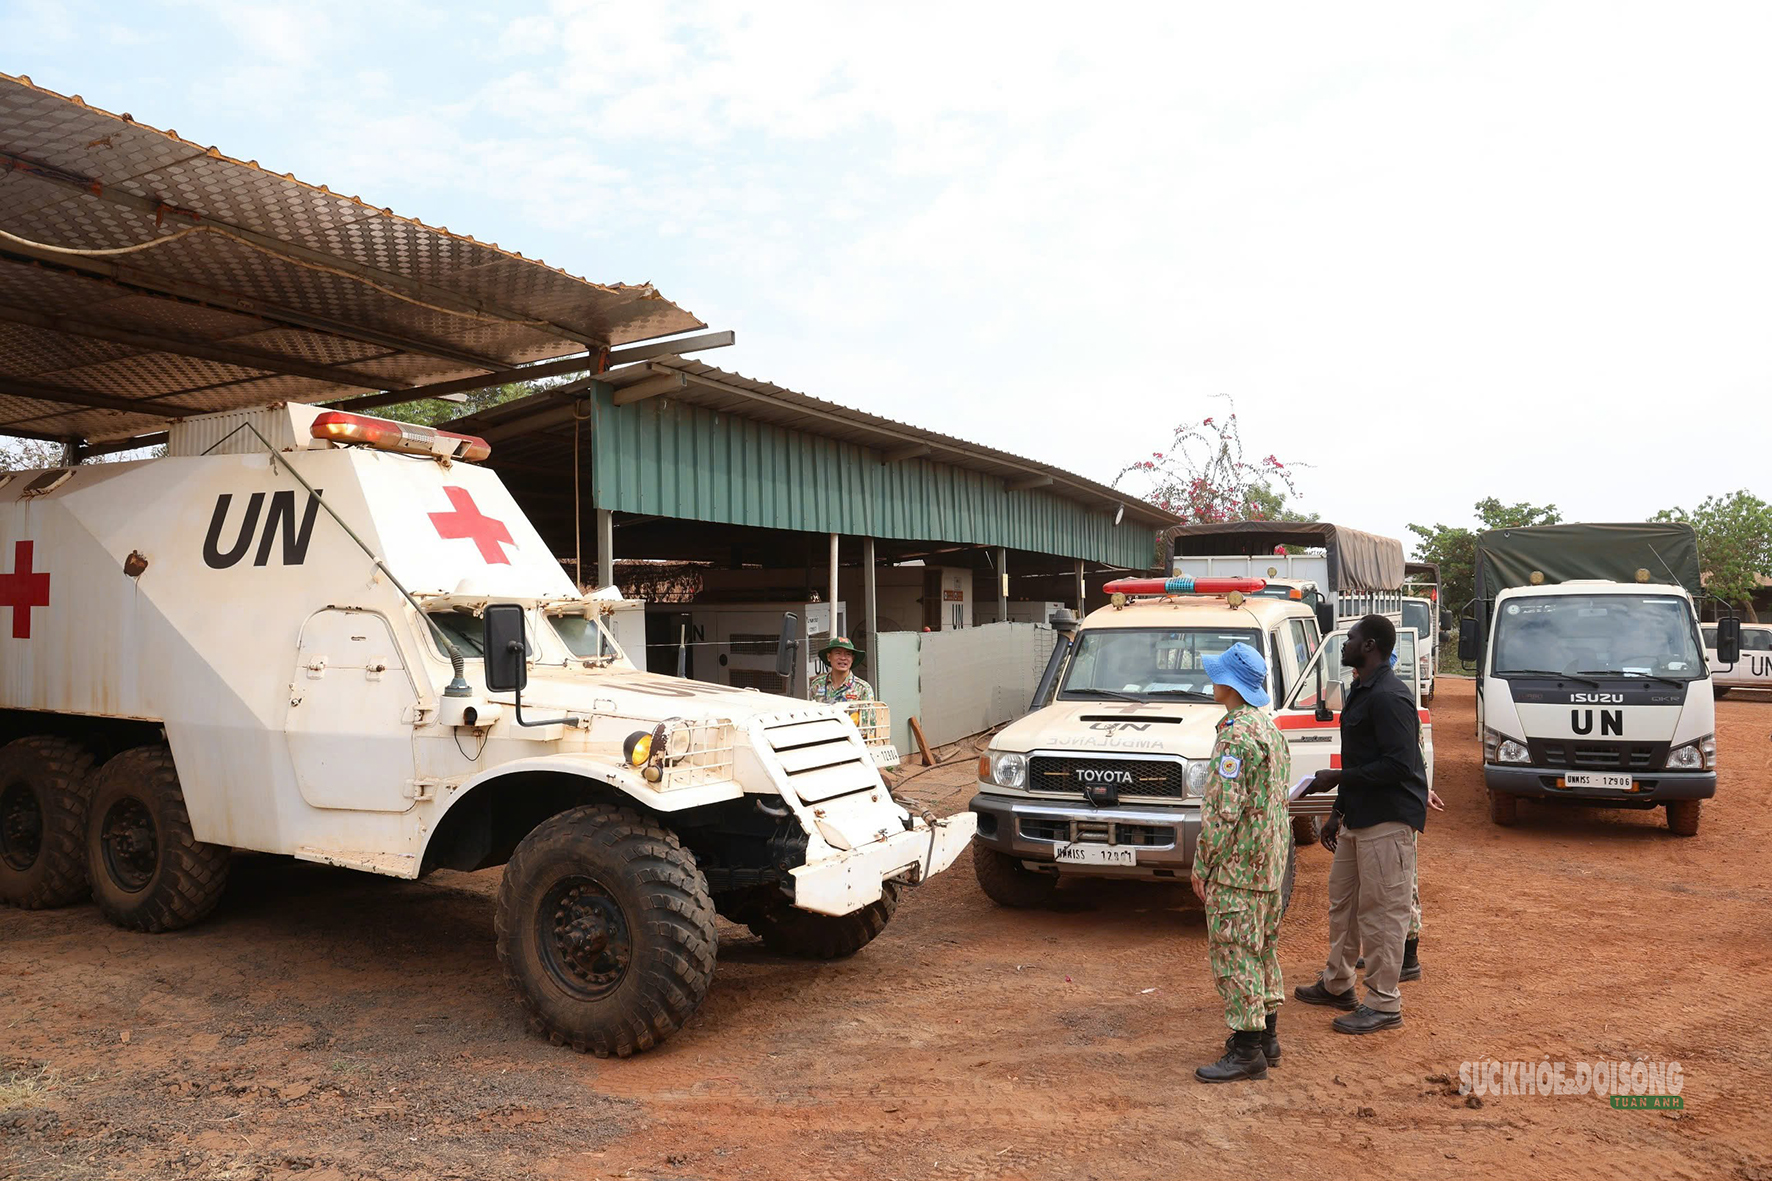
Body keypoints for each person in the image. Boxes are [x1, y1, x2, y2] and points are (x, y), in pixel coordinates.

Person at [1296, 613, 1428, 1034]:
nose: (1345, 643)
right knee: (1344, 905)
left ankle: (1384, 1003)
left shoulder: (1390, 697)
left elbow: (1399, 766)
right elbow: (1360, 759)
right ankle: (1338, 983)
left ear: (1370, 645)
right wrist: (1338, 811)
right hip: (1358, 818)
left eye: (1350, 637)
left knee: (1383, 914)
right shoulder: (1362, 689)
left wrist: (1337, 779)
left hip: (1386, 822)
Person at [1190, 641, 1292, 1083]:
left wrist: (1203, 864)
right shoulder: (1269, 729)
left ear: (1229, 685)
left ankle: (1248, 1050)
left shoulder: (1234, 736)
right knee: (1263, 948)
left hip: (1238, 869)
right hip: (1268, 866)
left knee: (1236, 954)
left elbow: (1222, 811)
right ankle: (1267, 1038)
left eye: (1217, 676)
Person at [809, 636, 874, 704]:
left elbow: (868, 711)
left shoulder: (863, 688)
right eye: (838, 653)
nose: (843, 658)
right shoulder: (817, 685)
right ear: (829, 657)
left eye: (848, 654)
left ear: (852, 658)